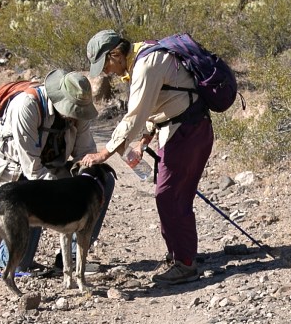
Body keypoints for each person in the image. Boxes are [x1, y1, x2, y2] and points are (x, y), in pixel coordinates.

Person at [81, 28, 208, 285]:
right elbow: (161, 102)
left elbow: (135, 114)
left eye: (104, 64)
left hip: (187, 132)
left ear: (115, 53)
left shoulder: (147, 65)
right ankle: (179, 256)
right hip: (181, 130)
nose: (106, 72)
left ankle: (185, 264)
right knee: (173, 195)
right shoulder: (143, 57)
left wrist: (105, 153)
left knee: (169, 196)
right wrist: (145, 139)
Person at [0, 69, 95, 274]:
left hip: (52, 174)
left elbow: (86, 153)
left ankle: (72, 256)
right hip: (19, 178)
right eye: (72, 110)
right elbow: (32, 169)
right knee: (18, 262)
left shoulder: (79, 113)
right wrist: (65, 197)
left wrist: (86, 178)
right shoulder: (27, 106)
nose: (76, 117)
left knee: (100, 181)